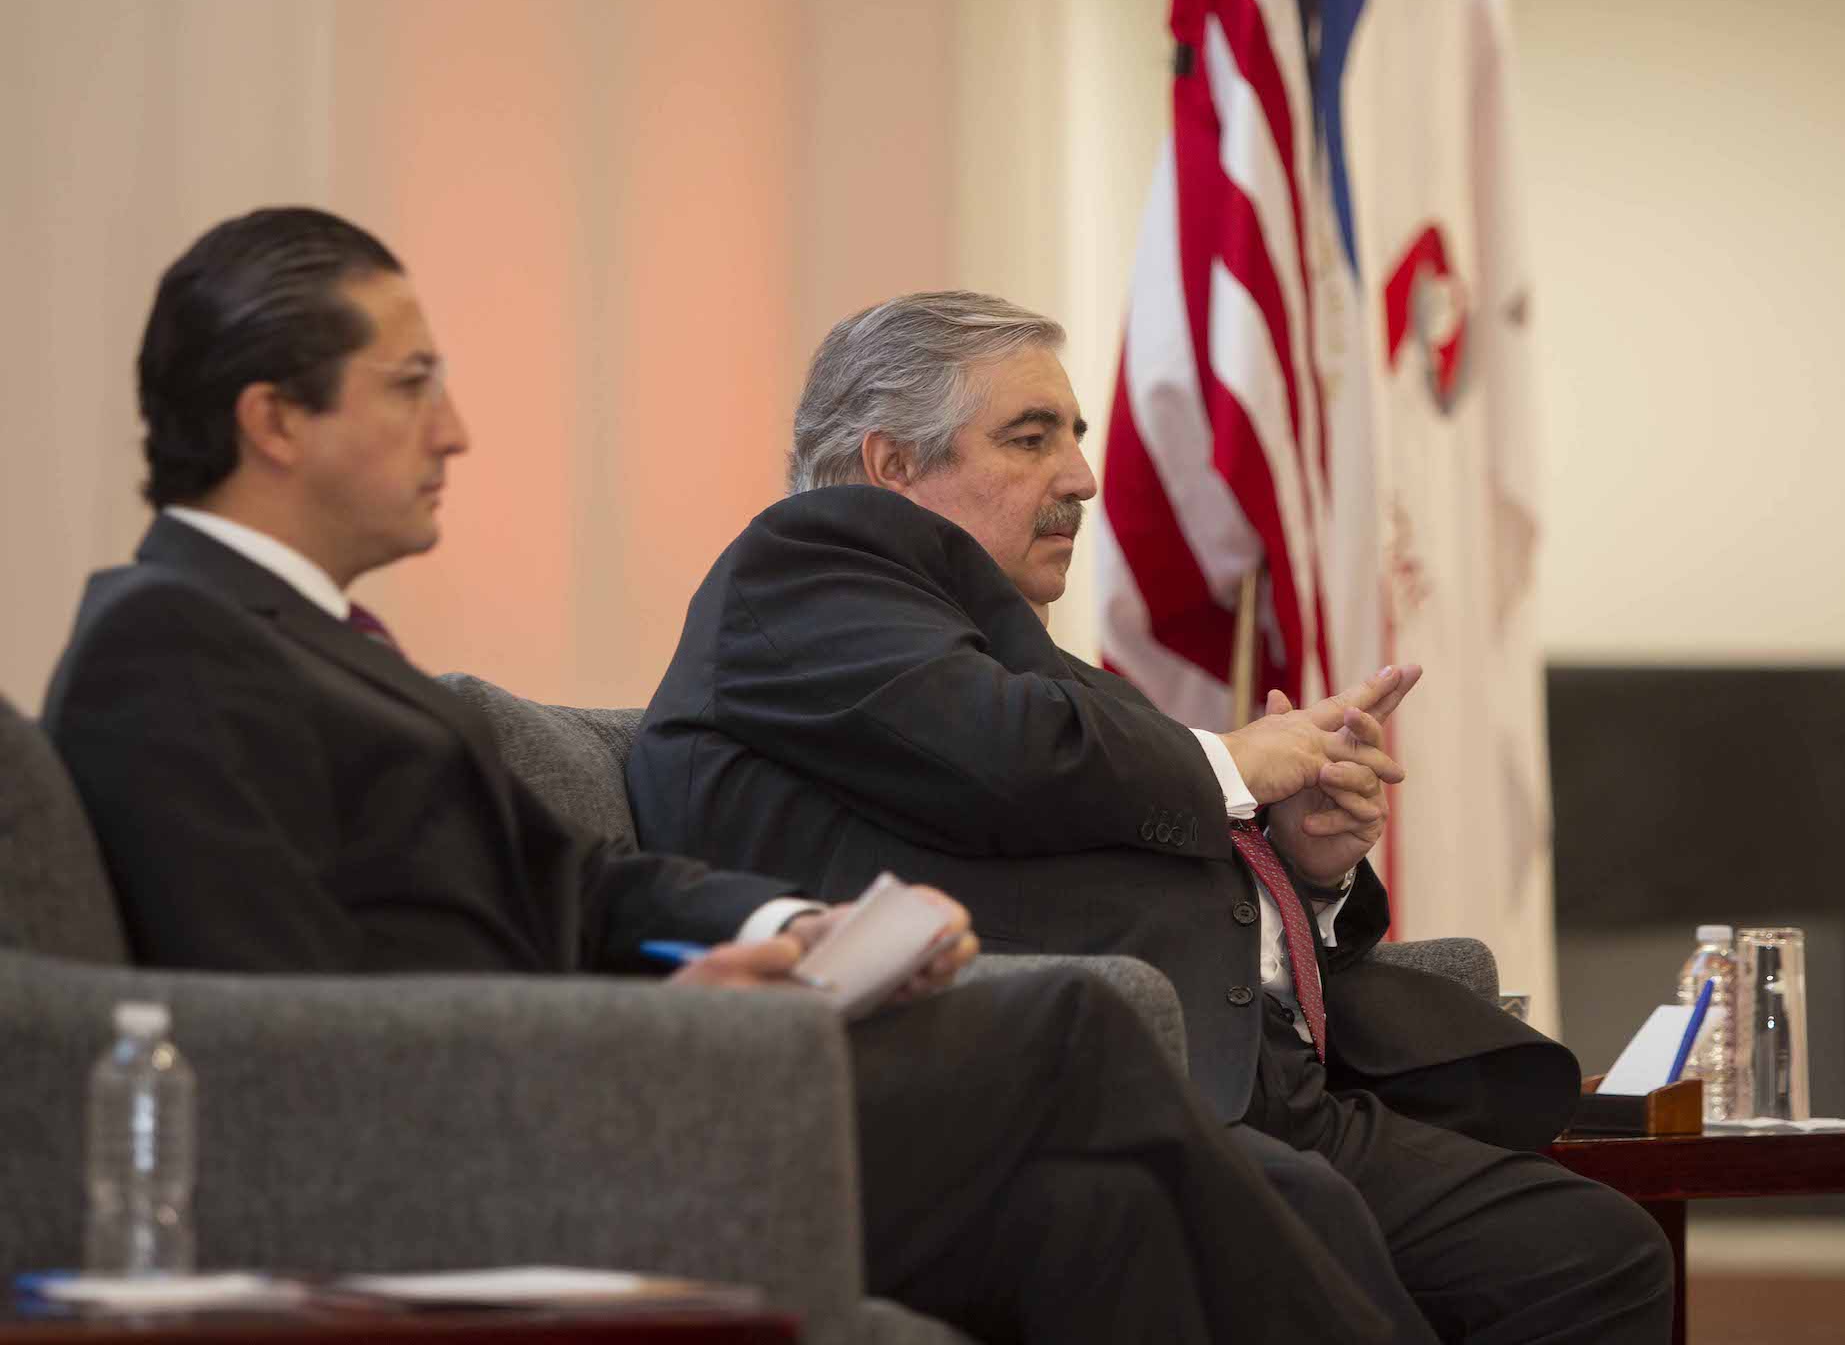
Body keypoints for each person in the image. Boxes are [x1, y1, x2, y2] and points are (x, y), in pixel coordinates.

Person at [41, 209, 1406, 1345]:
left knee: (1102, 1220)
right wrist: (650, 1025)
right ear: (274, 419)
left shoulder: (322, 643)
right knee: (1071, 1026)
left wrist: (781, 928)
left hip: (596, 1087)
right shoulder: (163, 650)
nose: (454, 429)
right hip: (489, 1152)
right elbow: (263, 1011)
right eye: (410, 385)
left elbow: (579, 882)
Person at [629, 291, 1676, 1344]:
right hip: (1086, 1093)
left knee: (1590, 1254)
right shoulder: (804, 569)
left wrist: (1306, 862)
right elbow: (1010, 762)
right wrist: (1232, 759)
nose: (1080, 478)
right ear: (892, 467)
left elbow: (1087, 814)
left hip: (1259, 1082)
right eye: (1028, 439)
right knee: (1314, 1241)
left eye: (1073, 437)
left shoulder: (994, 649)